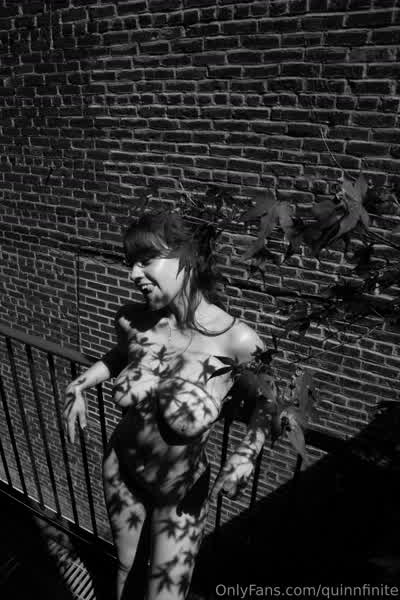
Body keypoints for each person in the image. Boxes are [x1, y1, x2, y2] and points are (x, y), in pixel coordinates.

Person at [63, 211, 269, 600]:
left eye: (145, 261)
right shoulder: (134, 321)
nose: (132, 274)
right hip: (121, 467)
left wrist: (248, 452)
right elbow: (120, 356)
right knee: (126, 568)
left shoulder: (237, 340)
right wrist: (81, 383)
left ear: (188, 257)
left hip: (179, 491)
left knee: (166, 595)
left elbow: (271, 405)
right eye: (130, 263)